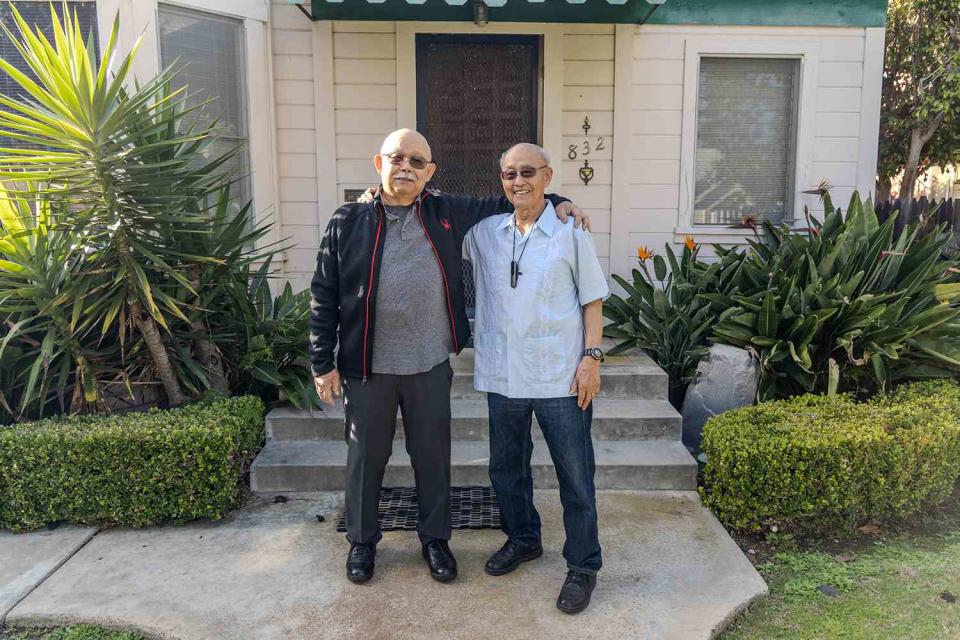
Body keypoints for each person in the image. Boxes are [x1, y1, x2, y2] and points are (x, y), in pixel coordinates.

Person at [309, 129, 588, 585]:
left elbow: (510, 199)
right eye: (397, 158)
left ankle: (435, 541)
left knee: (433, 457)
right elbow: (323, 294)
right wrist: (323, 363)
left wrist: (556, 197)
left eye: (417, 161)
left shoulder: (443, 211)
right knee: (365, 459)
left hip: (430, 365)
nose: (406, 167)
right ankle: (362, 543)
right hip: (367, 368)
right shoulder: (348, 220)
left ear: (430, 173)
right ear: (378, 163)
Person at [463, 143, 609, 614]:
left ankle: (583, 565)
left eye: (528, 172)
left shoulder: (570, 232)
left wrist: (591, 357)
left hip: (560, 379)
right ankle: (523, 539)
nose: (518, 181)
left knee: (575, 475)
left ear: (547, 176)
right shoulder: (484, 233)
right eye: (509, 173)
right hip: (503, 375)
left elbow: (592, 301)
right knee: (505, 469)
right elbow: (432, 222)